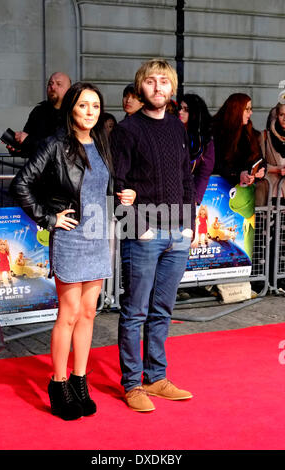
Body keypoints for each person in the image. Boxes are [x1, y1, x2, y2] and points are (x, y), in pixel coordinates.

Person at [10, 82, 115, 421]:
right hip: (70, 237)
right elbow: (21, 184)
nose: (90, 112)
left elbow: (99, 186)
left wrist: (122, 194)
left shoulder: (100, 141)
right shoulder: (55, 144)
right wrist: (48, 217)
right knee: (68, 314)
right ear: (71, 108)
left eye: (95, 106)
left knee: (88, 313)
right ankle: (57, 383)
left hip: (98, 236)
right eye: (84, 106)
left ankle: (79, 379)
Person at [110, 58, 195, 412]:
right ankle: (132, 384)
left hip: (178, 233)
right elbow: (118, 185)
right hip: (144, 233)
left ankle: (156, 377)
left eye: (164, 81)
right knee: (135, 311)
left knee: (162, 309)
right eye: (150, 81)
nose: (157, 87)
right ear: (140, 87)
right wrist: (137, 227)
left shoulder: (177, 127)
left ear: (172, 88)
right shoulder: (127, 130)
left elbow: (186, 178)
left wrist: (189, 223)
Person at [5, 72, 71, 157]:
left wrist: (28, 140)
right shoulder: (38, 112)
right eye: (50, 83)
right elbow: (28, 149)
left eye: (59, 84)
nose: (52, 87)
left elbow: (61, 148)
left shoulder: (73, 114)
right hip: (37, 169)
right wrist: (16, 148)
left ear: (69, 90)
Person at [212, 93, 265, 187]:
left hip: (246, 192)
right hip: (220, 190)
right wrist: (238, 174)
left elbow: (260, 159)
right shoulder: (218, 132)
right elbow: (216, 165)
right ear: (236, 110)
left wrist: (260, 170)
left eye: (251, 109)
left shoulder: (250, 132)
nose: (251, 112)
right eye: (247, 109)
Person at [179, 93, 215, 204]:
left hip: (187, 192)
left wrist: (195, 198)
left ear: (195, 114)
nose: (180, 112)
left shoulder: (204, 140)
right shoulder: (171, 131)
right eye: (180, 108)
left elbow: (204, 172)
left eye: (186, 110)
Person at [255, 102, 285, 206]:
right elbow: (258, 164)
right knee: (269, 221)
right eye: (281, 115)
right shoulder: (264, 136)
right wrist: (278, 169)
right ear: (277, 115)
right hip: (270, 191)